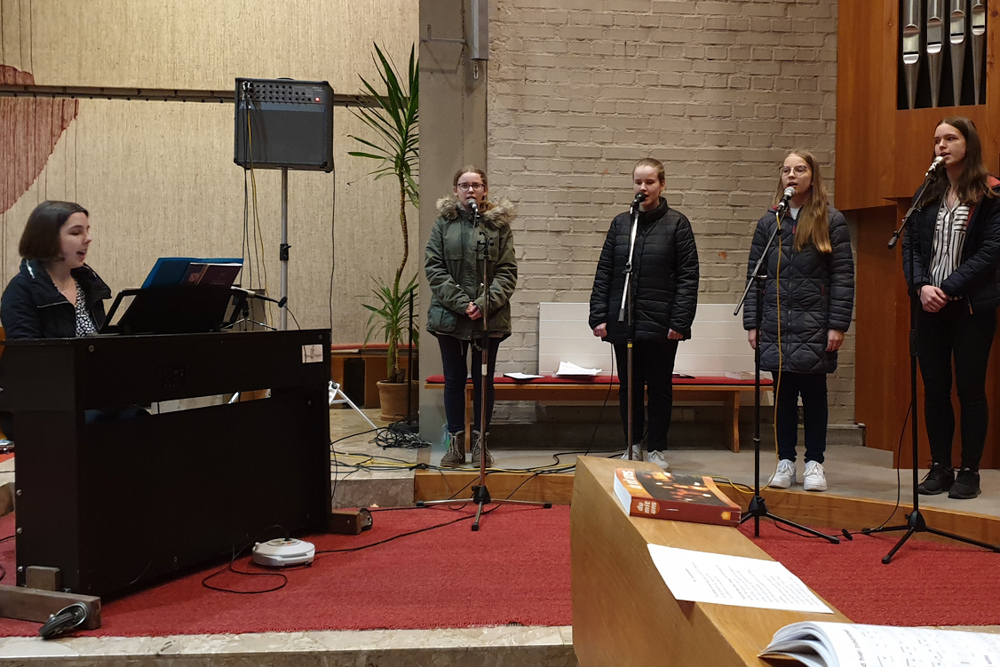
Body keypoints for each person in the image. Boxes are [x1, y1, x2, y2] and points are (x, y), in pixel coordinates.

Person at [743, 151, 855, 493]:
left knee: (814, 395)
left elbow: (843, 276)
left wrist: (837, 324)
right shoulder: (770, 222)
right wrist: (753, 323)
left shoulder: (831, 220)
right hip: (776, 322)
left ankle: (815, 462)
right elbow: (755, 275)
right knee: (783, 395)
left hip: (815, 322)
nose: (792, 175)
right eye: (787, 170)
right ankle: (785, 461)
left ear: (812, 176)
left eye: (800, 169)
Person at [903, 117, 1000, 500]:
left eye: (950, 138)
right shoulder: (927, 192)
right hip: (929, 307)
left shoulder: (991, 192)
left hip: (972, 309)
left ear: (968, 144)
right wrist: (920, 287)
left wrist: (946, 287)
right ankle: (940, 466)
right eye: (937, 140)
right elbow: (910, 247)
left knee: (971, 391)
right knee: (935, 390)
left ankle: (969, 471)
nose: (941, 145)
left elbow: (991, 251)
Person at [589, 158, 700, 470]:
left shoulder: (677, 224)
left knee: (660, 388)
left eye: (649, 182)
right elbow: (605, 272)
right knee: (629, 388)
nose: (643, 187)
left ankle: (657, 449)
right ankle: (632, 444)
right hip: (625, 322)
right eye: (638, 182)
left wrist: (680, 321)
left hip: (662, 324)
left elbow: (688, 276)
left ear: (662, 185)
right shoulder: (622, 224)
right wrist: (599, 315)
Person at [425, 166, 517, 468]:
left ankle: (480, 444)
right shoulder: (443, 224)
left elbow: (507, 271)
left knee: (483, 382)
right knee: (454, 381)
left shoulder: (498, 227)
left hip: (488, 320)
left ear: (485, 189)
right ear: (456, 191)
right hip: (450, 318)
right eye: (464, 185)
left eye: (476, 185)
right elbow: (434, 268)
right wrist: (462, 303)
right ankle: (455, 444)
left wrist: (483, 303)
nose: (470, 190)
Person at [1, 200, 110, 339]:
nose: (88, 238)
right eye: (76, 232)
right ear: (48, 238)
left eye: (87, 230)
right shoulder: (20, 290)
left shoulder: (88, 282)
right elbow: (26, 350)